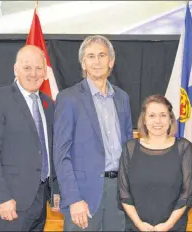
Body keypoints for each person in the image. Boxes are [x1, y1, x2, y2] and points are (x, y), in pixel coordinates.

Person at [54, 35, 133, 231]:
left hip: (118, 196)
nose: (96, 62)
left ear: (111, 62)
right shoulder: (68, 99)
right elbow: (61, 154)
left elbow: (129, 148)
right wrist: (73, 199)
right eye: (90, 56)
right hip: (83, 197)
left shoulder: (122, 98)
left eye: (101, 55)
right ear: (83, 63)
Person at [0, 45, 60, 231]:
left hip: (40, 199)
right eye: (27, 67)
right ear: (16, 69)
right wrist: (2, 197)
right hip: (10, 201)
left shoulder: (48, 104)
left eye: (39, 68)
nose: (33, 73)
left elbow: (50, 150)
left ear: (45, 72)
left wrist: (55, 189)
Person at [118, 95, 192, 231]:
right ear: (144, 120)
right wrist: (140, 225)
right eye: (152, 116)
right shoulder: (130, 148)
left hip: (173, 227)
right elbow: (124, 194)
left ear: (171, 119)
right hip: (136, 227)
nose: (158, 121)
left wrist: (167, 225)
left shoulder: (183, 148)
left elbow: (187, 194)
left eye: (163, 115)